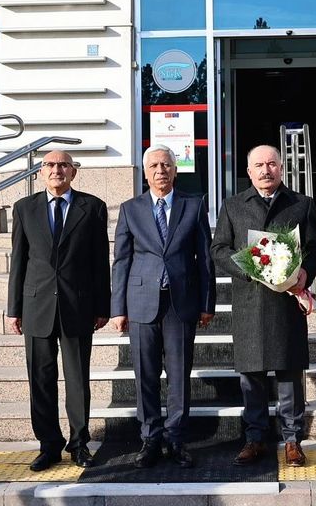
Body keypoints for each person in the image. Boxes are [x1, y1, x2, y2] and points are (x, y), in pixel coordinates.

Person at [211, 144, 316, 468]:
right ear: (249, 171)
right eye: (259, 165)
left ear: (281, 168)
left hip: (287, 302)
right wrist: (249, 267)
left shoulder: (301, 204)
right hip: (250, 301)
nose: (266, 170)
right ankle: (255, 438)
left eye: (272, 164)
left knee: (290, 375)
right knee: (252, 375)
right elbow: (218, 249)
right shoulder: (233, 206)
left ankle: (292, 440)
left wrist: (305, 272)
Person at [109, 145, 216, 469]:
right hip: (141, 302)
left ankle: (176, 438)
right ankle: (150, 438)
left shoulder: (193, 206)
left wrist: (207, 303)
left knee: (179, 375)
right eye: (154, 165)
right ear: (145, 173)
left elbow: (205, 259)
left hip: (181, 303)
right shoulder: (130, 209)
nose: (160, 170)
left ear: (175, 170)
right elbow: (121, 261)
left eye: (166, 165)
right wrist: (117, 308)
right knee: (145, 374)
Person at [5, 150, 110, 471]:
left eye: (63, 165)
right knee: (41, 379)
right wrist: (14, 309)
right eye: (50, 165)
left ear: (73, 172)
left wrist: (103, 306)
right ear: (41, 172)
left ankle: (79, 444)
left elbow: (99, 262)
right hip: (37, 306)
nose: (56, 170)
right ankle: (48, 445)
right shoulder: (25, 208)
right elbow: (18, 261)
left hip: (78, 306)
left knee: (77, 379)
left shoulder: (92, 207)